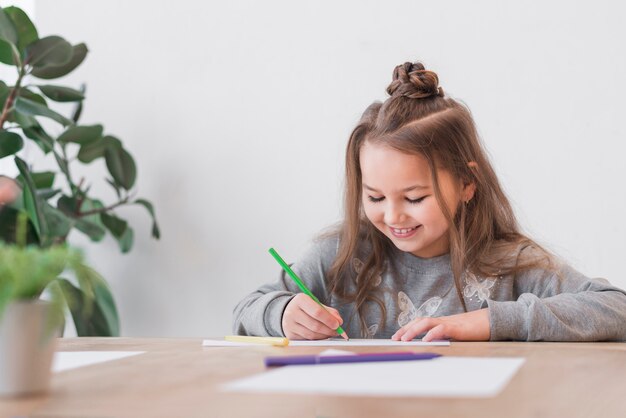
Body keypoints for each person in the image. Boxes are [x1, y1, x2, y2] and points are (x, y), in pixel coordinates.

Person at [233, 61, 626, 342]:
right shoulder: (340, 256)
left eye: (415, 197)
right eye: (374, 196)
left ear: (468, 182)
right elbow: (246, 310)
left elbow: (615, 309)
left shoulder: (511, 264)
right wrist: (281, 314)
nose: (392, 215)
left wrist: (489, 322)